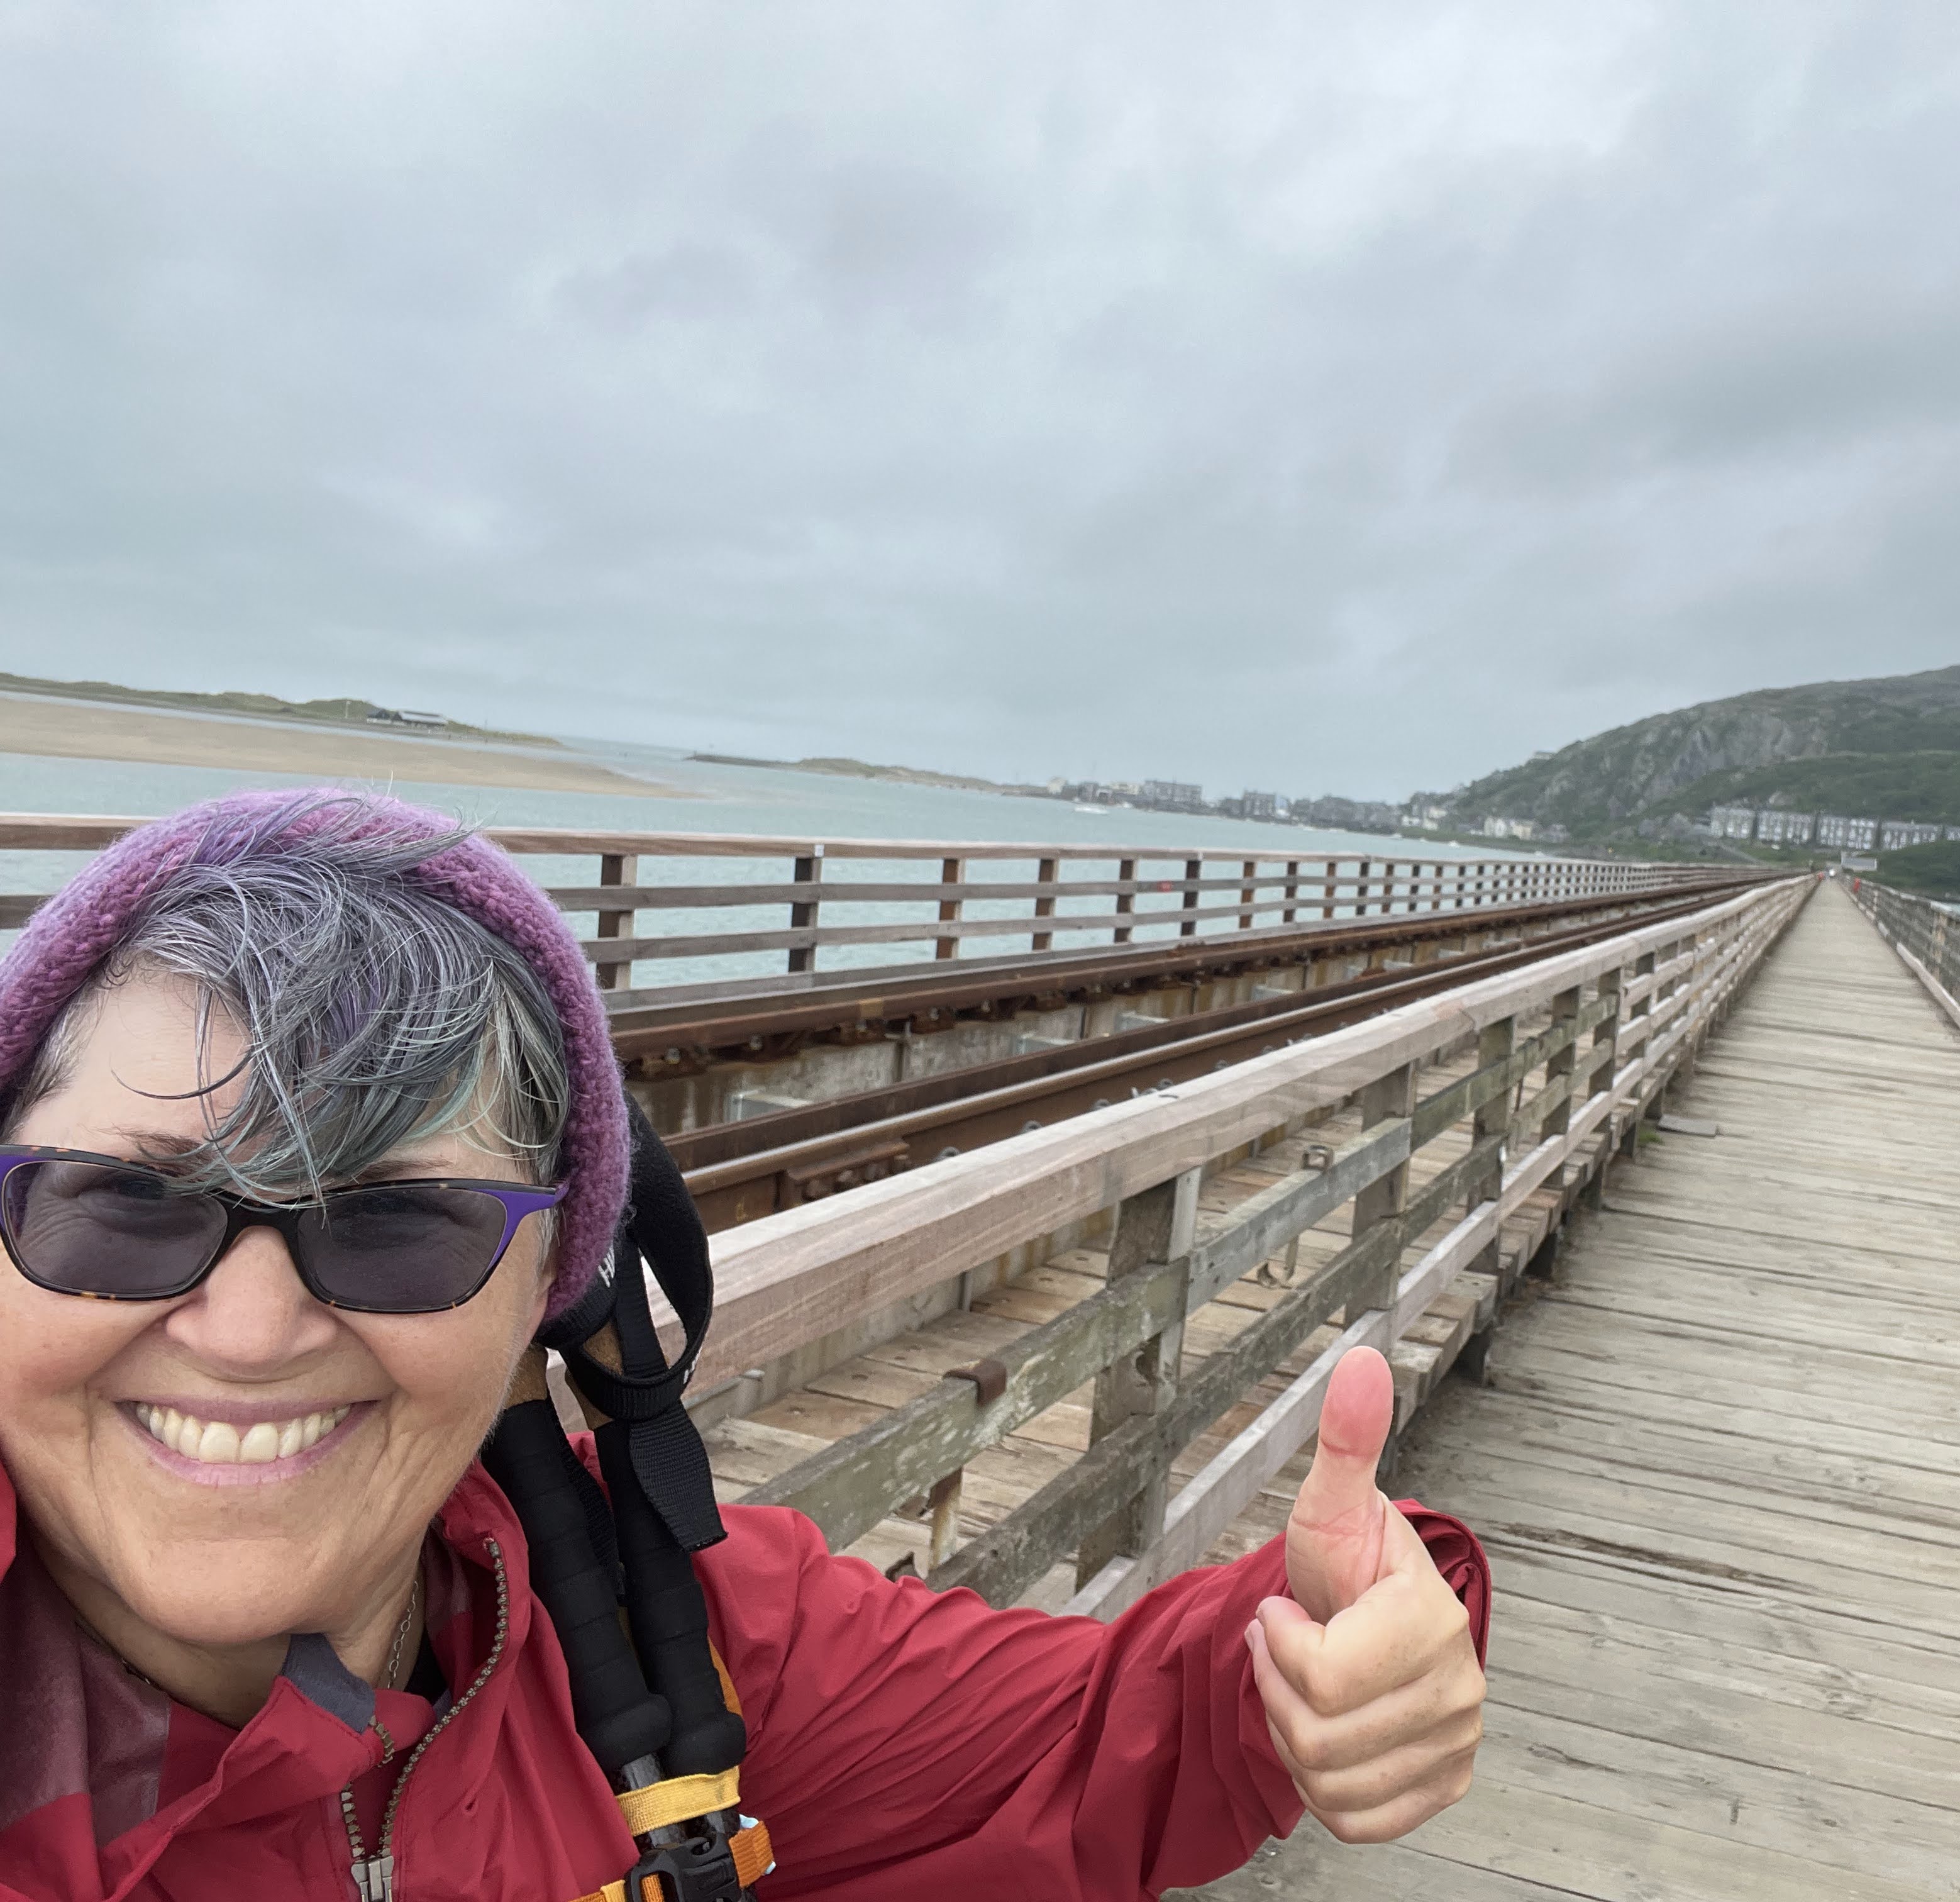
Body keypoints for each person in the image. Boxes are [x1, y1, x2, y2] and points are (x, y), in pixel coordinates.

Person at [0, 789, 1489, 1901]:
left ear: (549, 1289)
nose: (250, 1333)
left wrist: (1327, 1658)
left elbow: (1102, 1737)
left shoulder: (680, 1639)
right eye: (125, 1206)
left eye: (397, 1224)